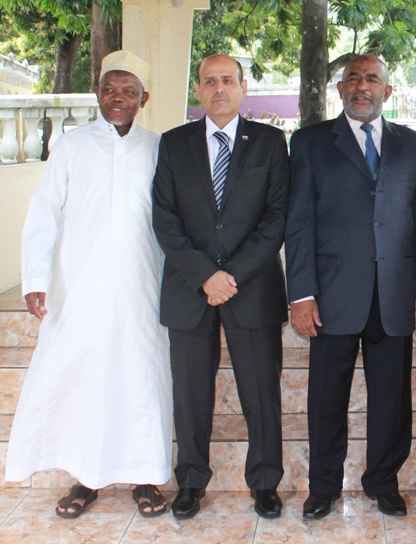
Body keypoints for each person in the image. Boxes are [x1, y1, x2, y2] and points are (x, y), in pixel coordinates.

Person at [6, 50, 172, 519]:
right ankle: (85, 478)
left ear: (144, 98)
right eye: (109, 89)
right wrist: (36, 278)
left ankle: (145, 478)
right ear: (98, 93)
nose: (117, 98)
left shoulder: (158, 147)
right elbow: (43, 213)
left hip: (143, 285)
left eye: (128, 91)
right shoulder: (72, 146)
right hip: (79, 285)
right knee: (84, 379)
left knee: (141, 377)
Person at [285, 54, 416, 520]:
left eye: (372, 79)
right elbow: (299, 224)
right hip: (331, 297)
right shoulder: (309, 143)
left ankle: (383, 482)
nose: (362, 86)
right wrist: (301, 294)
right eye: (353, 78)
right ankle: (323, 486)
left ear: (387, 92)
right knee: (326, 397)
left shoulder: (414, 146)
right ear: (341, 89)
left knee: (391, 399)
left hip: (393, 295)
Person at [152, 54, 289, 520]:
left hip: (251, 289)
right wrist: (204, 275)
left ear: (243, 87)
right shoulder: (173, 144)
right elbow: (165, 220)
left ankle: (266, 483)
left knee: (260, 394)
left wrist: (231, 276)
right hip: (190, 290)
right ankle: (190, 482)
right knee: (190, 397)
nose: (219, 89)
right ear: (198, 88)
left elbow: (276, 219)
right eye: (209, 81)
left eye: (227, 80)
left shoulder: (271, 143)